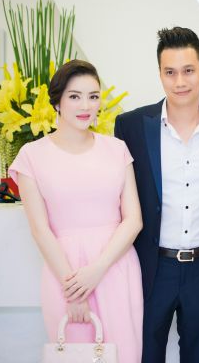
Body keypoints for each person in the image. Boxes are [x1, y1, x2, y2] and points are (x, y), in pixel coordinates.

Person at [114, 27, 199, 363]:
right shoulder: (131, 126)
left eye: (188, 70)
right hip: (150, 266)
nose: (180, 81)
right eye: (170, 72)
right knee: (143, 356)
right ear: (159, 74)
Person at [9, 59, 143, 362]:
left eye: (93, 96)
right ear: (57, 101)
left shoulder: (117, 149)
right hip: (64, 275)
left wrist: (98, 269)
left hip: (116, 267)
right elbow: (40, 230)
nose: (86, 105)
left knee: (125, 353)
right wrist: (74, 290)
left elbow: (133, 220)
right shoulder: (31, 156)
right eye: (74, 96)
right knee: (73, 353)